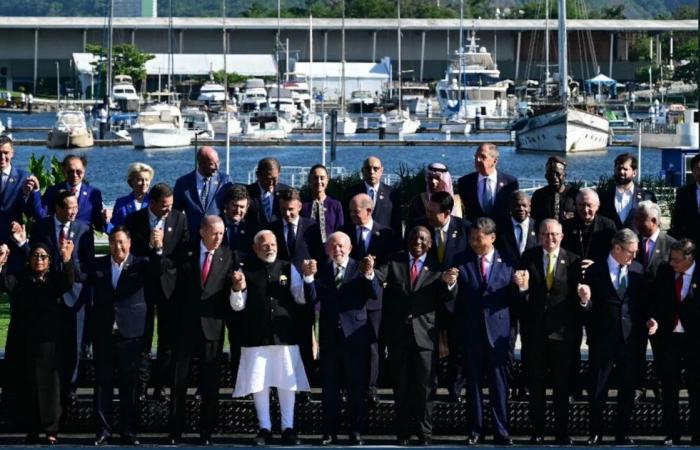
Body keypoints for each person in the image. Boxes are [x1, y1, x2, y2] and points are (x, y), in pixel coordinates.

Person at [231, 230, 313, 446]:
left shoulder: (288, 267)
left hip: (284, 335)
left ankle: (288, 427)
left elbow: (301, 298)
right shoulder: (245, 270)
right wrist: (237, 288)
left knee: (287, 382)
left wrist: (307, 277)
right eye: (265, 244)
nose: (270, 248)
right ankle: (264, 428)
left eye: (273, 244)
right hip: (255, 336)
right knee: (259, 383)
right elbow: (237, 305)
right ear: (255, 248)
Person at [442, 217, 518, 445]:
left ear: (492, 237)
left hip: (498, 333)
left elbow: (515, 301)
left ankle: (502, 431)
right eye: (472, 238)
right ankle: (475, 431)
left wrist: (521, 287)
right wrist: (450, 284)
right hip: (471, 332)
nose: (474, 242)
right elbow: (451, 300)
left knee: (499, 386)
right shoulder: (460, 260)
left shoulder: (508, 261)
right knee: (473, 384)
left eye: (479, 238)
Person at [18, 190, 94, 403]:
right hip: (48, 297)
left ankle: (71, 387)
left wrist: (68, 263)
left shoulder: (84, 229)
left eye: (76, 207)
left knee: (75, 344)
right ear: (58, 208)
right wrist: (23, 244)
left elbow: (89, 266)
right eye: (69, 208)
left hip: (74, 295)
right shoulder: (41, 227)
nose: (73, 212)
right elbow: (35, 258)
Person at [307, 232, 380, 446]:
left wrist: (369, 275)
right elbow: (312, 298)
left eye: (340, 246)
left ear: (349, 248)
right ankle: (329, 432)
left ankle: (355, 431)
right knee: (330, 388)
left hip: (355, 338)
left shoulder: (360, 267)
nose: (336, 250)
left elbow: (374, 294)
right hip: (330, 339)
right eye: (332, 246)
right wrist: (308, 278)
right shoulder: (322, 270)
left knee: (356, 388)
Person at [577, 228, 649, 445]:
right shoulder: (595, 270)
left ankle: (622, 432)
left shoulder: (637, 269)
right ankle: (596, 432)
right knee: (598, 387)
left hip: (630, 340)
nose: (633, 256)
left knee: (627, 388)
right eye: (630, 251)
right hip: (602, 339)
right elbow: (588, 309)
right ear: (617, 248)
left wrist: (650, 319)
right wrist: (584, 301)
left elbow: (641, 304)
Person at [168, 216, 234, 446]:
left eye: (221, 234)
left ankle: (206, 432)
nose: (218, 238)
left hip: (213, 328)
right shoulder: (185, 254)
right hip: (185, 327)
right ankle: (175, 430)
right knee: (179, 381)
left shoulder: (227, 255)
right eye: (214, 233)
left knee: (210, 383)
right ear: (202, 232)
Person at [380, 226, 449, 446]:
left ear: (430, 243)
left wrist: (450, 284)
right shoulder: (395, 261)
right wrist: (370, 271)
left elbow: (446, 300)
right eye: (414, 237)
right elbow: (377, 279)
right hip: (398, 335)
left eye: (422, 238)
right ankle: (402, 434)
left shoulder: (438, 267)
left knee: (425, 388)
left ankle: (424, 434)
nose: (417, 241)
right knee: (401, 386)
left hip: (425, 336)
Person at [0, 241, 73, 445]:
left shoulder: (54, 279)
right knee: (28, 387)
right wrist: (1, 263)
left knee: (51, 388)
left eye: (43, 256)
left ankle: (51, 429)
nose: (38, 260)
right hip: (25, 343)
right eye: (35, 256)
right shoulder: (21, 278)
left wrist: (66, 259)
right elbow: (4, 284)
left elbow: (68, 282)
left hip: (49, 344)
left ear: (49, 260)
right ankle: (31, 429)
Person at [516, 219, 580, 445]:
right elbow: (519, 299)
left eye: (554, 234)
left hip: (562, 335)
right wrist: (522, 290)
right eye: (545, 234)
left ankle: (562, 432)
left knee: (562, 387)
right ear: (538, 235)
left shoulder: (573, 261)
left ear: (562, 236)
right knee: (536, 386)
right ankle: (538, 431)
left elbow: (577, 301)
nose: (549, 238)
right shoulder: (528, 257)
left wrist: (584, 300)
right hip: (535, 335)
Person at [123, 183, 189, 402]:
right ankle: (140, 387)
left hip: (169, 288)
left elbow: (183, 252)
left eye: (170, 205)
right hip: (142, 288)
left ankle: (161, 386)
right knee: (142, 339)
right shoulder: (134, 221)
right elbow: (128, 255)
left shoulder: (179, 219)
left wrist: (162, 254)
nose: (168, 210)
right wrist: (152, 252)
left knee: (167, 340)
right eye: (164, 206)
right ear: (152, 203)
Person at [92, 227, 150, 446]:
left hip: (131, 335)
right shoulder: (98, 266)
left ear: (130, 243)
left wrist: (158, 249)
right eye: (114, 242)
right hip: (104, 333)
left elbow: (159, 269)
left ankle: (129, 431)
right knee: (102, 386)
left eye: (122, 242)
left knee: (130, 386)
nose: (118, 247)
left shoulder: (141, 265)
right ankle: (103, 431)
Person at [415, 190, 470, 403]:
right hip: (428, 296)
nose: (429, 216)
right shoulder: (421, 227)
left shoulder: (464, 228)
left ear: (447, 213)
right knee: (430, 346)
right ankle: (431, 387)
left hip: (456, 299)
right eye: (428, 210)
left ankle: (455, 389)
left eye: (433, 212)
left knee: (458, 347)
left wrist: (454, 278)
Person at [340, 193, 396, 403]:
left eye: (356, 211)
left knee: (374, 345)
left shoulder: (386, 234)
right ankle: (349, 384)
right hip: (351, 296)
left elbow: (390, 263)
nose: (352, 215)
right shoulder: (344, 231)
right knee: (349, 343)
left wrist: (373, 274)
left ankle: (372, 386)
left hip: (375, 297)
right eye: (350, 211)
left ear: (369, 211)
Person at [647, 239, 700, 445]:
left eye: (677, 260)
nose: (672, 264)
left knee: (696, 388)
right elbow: (654, 299)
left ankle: (697, 434)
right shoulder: (664, 272)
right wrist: (652, 317)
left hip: (694, 341)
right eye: (671, 259)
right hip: (669, 339)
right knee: (669, 388)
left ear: (689, 258)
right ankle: (673, 433)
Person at [270, 188, 324, 388]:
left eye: (291, 209)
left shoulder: (311, 227)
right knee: (280, 344)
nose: (287, 213)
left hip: (303, 292)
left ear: (300, 207)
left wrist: (312, 272)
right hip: (279, 293)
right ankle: (280, 385)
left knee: (304, 342)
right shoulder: (272, 227)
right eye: (283, 209)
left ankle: (305, 386)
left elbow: (319, 256)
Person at [0, 134, 44, 272]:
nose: (2, 157)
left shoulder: (23, 178)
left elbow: (35, 214)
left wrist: (33, 192)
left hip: (14, 242)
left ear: (12, 153)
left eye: (5, 153)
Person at [173, 146, 232, 245]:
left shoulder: (225, 180)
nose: (217, 167)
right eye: (212, 164)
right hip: (192, 238)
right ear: (200, 163)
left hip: (217, 239)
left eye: (218, 162)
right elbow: (175, 212)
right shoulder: (183, 183)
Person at [42, 154, 110, 232]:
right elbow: (43, 215)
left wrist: (105, 219)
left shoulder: (94, 194)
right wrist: (35, 191)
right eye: (70, 171)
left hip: (83, 240)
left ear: (84, 170)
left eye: (78, 171)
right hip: (59, 238)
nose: (74, 175)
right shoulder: (52, 191)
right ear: (63, 170)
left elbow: (99, 224)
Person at [457, 143, 519, 223]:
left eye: (483, 157)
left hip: (501, 232)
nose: (478, 159)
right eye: (476, 156)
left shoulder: (510, 183)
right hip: (475, 232)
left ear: (495, 161)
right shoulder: (465, 182)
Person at [342, 156, 402, 236]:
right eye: (368, 168)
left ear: (381, 171)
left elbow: (396, 223)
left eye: (375, 168)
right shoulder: (351, 193)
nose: (372, 172)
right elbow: (346, 220)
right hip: (358, 241)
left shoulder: (392, 194)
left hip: (384, 241)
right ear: (362, 171)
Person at [597, 153, 657, 231]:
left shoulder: (647, 197)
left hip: (637, 242)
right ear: (614, 170)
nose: (621, 172)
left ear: (634, 172)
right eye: (619, 168)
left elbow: (654, 226)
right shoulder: (603, 197)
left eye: (625, 169)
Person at [408, 163, 463, 228]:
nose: (433, 181)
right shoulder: (418, 201)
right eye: (430, 178)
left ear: (445, 180)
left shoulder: (459, 202)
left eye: (437, 178)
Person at [301, 164, 344, 243]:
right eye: (315, 178)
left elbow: (340, 232)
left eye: (322, 178)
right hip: (306, 251)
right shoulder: (302, 205)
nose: (319, 181)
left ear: (327, 180)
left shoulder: (335, 205)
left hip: (329, 251)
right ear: (309, 180)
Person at [530, 156, 577, 225]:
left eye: (558, 174)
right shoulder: (538, 195)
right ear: (546, 176)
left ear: (564, 175)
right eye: (551, 174)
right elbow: (533, 219)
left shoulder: (574, 194)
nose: (554, 177)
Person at [245, 157, 290, 228]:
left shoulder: (286, 191)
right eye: (267, 179)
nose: (271, 183)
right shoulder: (247, 193)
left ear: (279, 174)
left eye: (274, 179)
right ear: (257, 174)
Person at [496, 191, 538, 264]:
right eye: (517, 206)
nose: (521, 209)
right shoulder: (500, 228)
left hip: (531, 273)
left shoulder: (538, 227)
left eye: (524, 205)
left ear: (530, 207)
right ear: (510, 207)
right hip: (508, 272)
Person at [110, 162, 154, 228]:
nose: (144, 183)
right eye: (140, 180)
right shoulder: (121, 203)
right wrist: (106, 221)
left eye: (147, 180)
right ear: (131, 182)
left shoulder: (153, 201)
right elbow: (114, 229)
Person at [670, 153, 700, 244]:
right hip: (691, 245)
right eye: (697, 168)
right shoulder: (683, 193)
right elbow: (678, 220)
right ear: (693, 172)